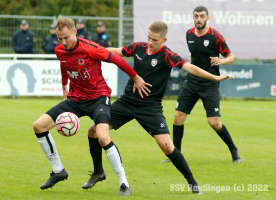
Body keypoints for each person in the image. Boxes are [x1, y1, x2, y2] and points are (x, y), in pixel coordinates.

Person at [83, 21, 234, 195]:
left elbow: (190, 67)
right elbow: (115, 51)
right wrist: (89, 48)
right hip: (127, 103)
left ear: (164, 40)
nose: (150, 42)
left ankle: (192, 182)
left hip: (150, 107)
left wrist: (215, 78)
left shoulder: (167, 55)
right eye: (148, 37)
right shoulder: (138, 47)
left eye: (154, 39)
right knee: (93, 131)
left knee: (167, 147)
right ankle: (98, 172)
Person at [32, 17, 151, 196]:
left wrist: (135, 77)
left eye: (66, 38)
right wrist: (64, 85)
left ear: (74, 32)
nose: (63, 42)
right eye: (59, 38)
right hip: (75, 99)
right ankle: (58, 171)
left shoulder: (90, 48)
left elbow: (117, 60)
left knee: (102, 137)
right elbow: (64, 64)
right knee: (38, 126)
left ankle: (124, 183)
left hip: (98, 98)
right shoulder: (59, 49)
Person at [162, 6, 242, 163]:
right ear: (193, 17)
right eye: (196, 16)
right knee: (178, 116)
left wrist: (221, 60)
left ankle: (234, 150)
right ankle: (175, 156)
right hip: (192, 81)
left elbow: (231, 57)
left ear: (207, 18)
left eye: (202, 16)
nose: (199, 19)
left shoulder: (215, 36)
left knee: (213, 122)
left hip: (210, 83)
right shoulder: (189, 34)